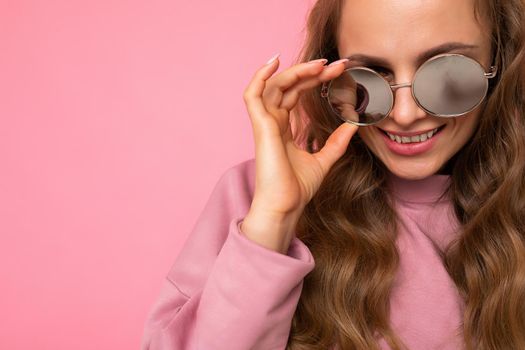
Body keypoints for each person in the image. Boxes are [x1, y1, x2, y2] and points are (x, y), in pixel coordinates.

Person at [140, 0, 525, 349]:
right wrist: (273, 222)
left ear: (500, 60)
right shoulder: (254, 198)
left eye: (446, 70)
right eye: (371, 73)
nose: (405, 114)